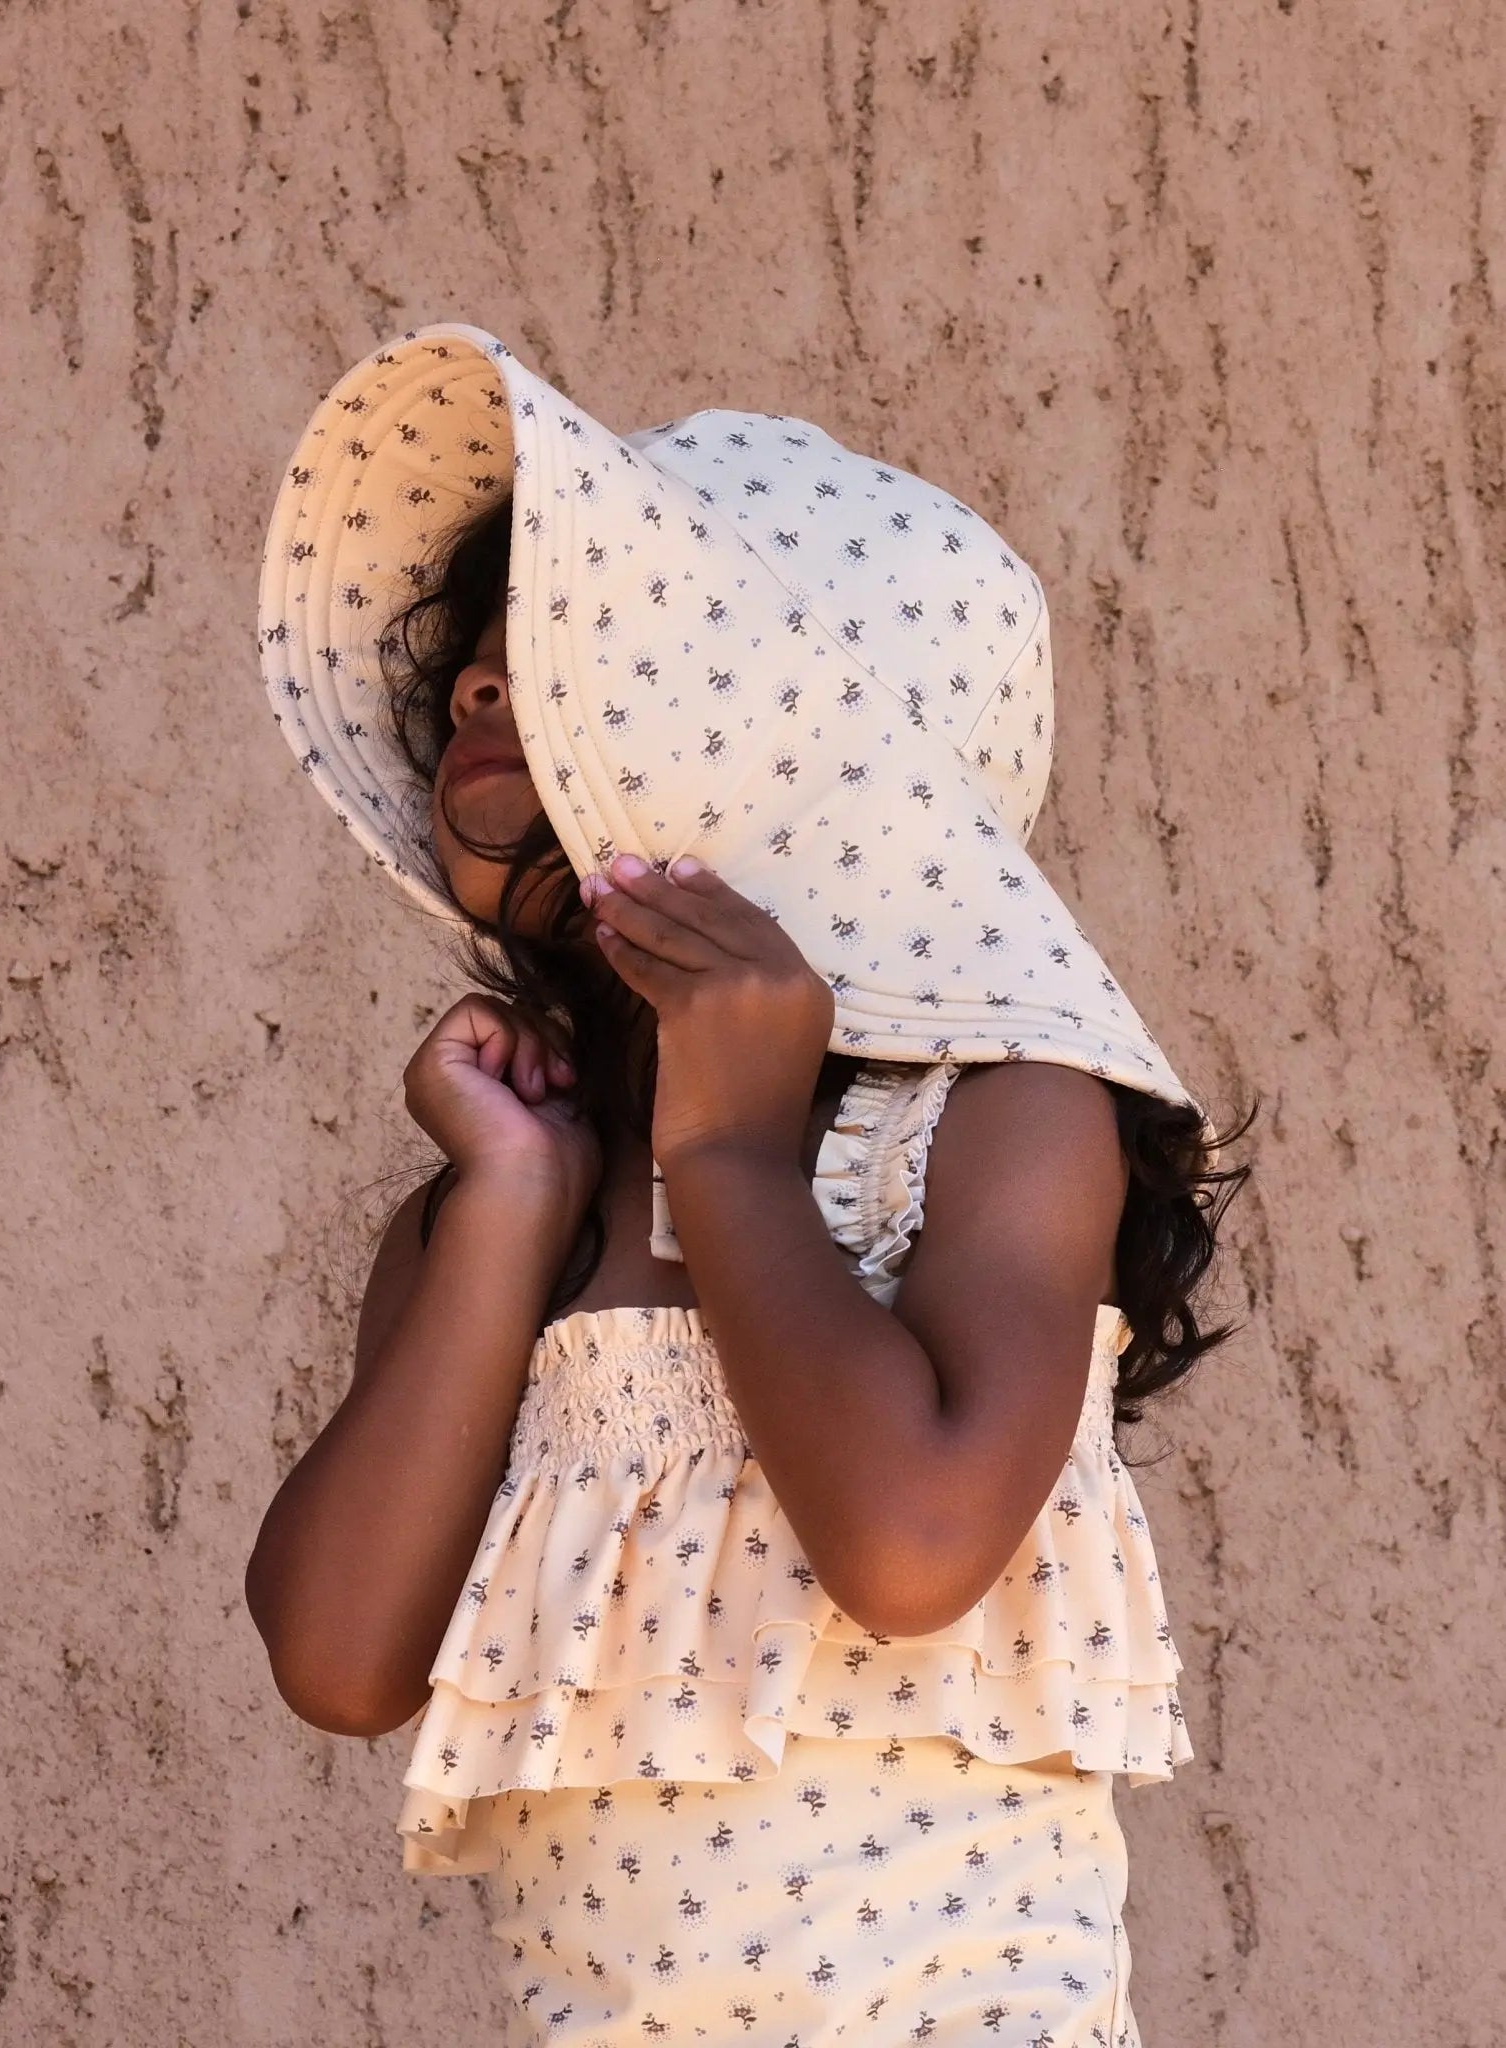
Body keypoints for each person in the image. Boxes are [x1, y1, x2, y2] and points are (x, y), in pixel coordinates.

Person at [245, 326, 1254, 2045]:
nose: (483, 691)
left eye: (564, 655)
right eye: (478, 670)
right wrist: (496, 1209)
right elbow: (340, 1660)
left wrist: (725, 1153)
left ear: (805, 756)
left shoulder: (994, 1122)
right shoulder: (517, 1205)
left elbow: (913, 1547)